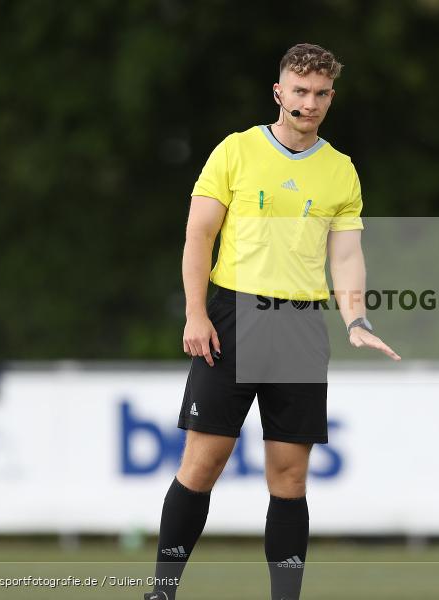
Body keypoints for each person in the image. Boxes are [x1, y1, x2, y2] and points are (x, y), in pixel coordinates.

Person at [144, 42, 400, 600]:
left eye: (320, 94)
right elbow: (198, 236)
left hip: (301, 328)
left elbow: (347, 255)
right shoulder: (236, 151)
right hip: (233, 318)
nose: (308, 103)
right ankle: (161, 592)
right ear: (279, 92)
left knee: (289, 477)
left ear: (331, 98)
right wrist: (195, 312)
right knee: (202, 465)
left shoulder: (340, 171)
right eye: (299, 91)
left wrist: (356, 317)